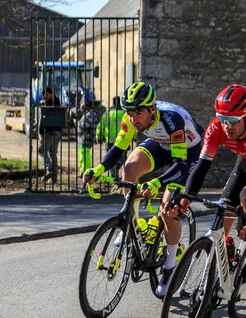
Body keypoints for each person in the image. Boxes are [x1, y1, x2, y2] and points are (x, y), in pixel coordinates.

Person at [82, 82, 205, 297]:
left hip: (188, 153)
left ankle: (169, 265)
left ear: (152, 109)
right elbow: (118, 148)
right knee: (128, 170)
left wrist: (156, 183)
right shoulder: (130, 119)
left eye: (138, 112)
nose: (133, 119)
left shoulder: (171, 119)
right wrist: (98, 169)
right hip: (160, 144)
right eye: (129, 113)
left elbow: (180, 164)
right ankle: (133, 225)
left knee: (168, 209)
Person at [175, 84, 246, 282]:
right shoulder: (216, 128)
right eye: (222, 119)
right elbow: (202, 167)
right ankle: (224, 253)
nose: (227, 126)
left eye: (232, 121)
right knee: (224, 208)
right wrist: (185, 197)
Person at [96, 96, 126, 178]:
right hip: (123, 138)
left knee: (110, 157)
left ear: (112, 103)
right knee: (123, 156)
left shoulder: (107, 113)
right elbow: (130, 126)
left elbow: (100, 126)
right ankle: (116, 167)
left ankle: (113, 176)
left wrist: (99, 136)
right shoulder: (124, 113)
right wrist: (133, 137)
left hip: (110, 138)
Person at [38, 87, 61, 182]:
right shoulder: (58, 103)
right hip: (57, 132)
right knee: (53, 153)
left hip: (48, 132)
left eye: (47, 94)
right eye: (44, 95)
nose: (45, 97)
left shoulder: (46, 104)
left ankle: (49, 168)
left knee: (41, 151)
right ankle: (54, 178)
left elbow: (42, 120)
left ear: (51, 94)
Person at [77, 100, 100, 177]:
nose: (80, 110)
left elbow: (84, 125)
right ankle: (82, 172)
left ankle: (87, 173)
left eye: (81, 108)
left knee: (85, 156)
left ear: (85, 108)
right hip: (84, 138)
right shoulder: (89, 114)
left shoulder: (90, 115)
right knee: (82, 156)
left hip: (86, 138)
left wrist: (77, 122)